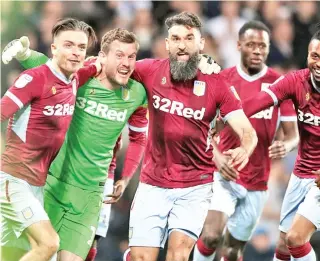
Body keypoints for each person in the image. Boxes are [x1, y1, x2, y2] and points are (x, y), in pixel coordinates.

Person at [122, 12, 258, 261]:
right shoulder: (149, 70)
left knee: (179, 254)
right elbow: (113, 69)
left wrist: (244, 149)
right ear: (167, 44)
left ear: (201, 43)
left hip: (195, 186)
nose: (182, 44)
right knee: (141, 257)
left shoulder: (217, 84)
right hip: (153, 183)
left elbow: (248, 132)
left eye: (188, 38)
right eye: (175, 38)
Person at [5, 28, 150, 261]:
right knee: (40, 251)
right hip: (53, 185)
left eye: (131, 57)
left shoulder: (137, 94)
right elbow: (47, 68)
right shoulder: (80, 77)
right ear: (103, 56)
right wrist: (24, 54)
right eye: (119, 56)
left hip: (91, 196)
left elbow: (139, 137)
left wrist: (126, 177)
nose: (126, 63)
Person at [242, 17, 320, 261]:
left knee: (296, 238)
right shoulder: (296, 81)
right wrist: (220, 114)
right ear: (308, 55)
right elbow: (256, 102)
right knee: (284, 247)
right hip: (302, 173)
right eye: (314, 56)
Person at [193, 21, 299, 261]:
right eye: (251, 44)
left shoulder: (280, 85)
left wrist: (288, 144)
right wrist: (217, 159)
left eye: (262, 45)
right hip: (223, 172)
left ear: (269, 48)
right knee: (210, 236)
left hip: (258, 179)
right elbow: (201, 129)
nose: (257, 50)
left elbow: (292, 133)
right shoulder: (221, 79)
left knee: (232, 251)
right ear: (239, 45)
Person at [0, 18, 98, 261]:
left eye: (81, 47)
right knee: (49, 244)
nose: (76, 53)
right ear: (53, 49)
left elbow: (110, 62)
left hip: (36, 185)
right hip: (14, 180)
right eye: (68, 45)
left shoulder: (74, 78)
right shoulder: (35, 78)